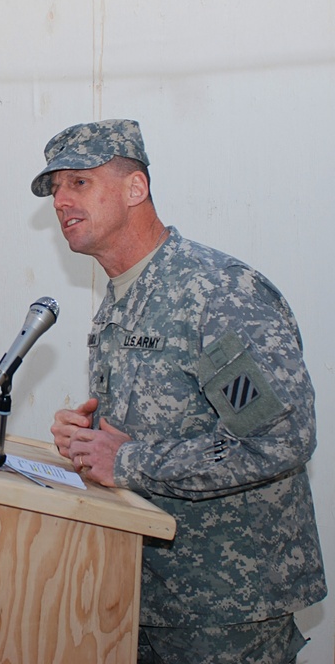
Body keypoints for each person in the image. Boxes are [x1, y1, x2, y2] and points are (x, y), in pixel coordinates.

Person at [35, 119, 327, 664]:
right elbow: (166, 425)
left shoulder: (213, 293)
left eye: (79, 182)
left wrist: (129, 461)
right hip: (143, 591)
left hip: (226, 606)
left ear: (135, 189)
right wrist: (90, 437)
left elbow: (278, 437)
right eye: (55, 189)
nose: (60, 201)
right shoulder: (122, 298)